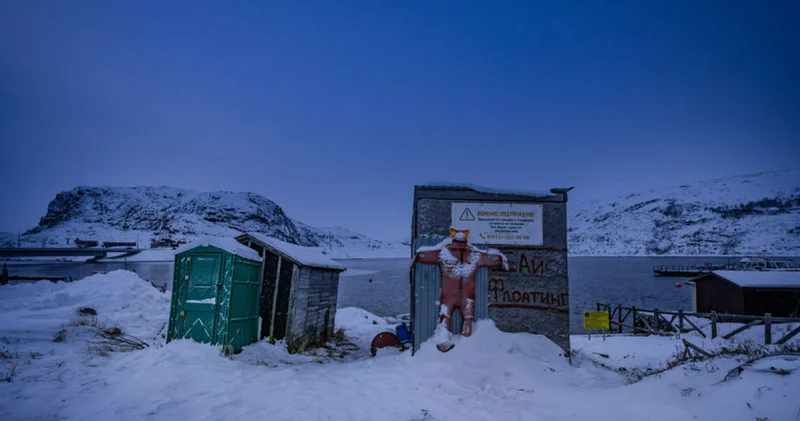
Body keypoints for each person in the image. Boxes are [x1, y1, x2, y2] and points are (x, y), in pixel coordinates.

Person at [410, 227, 508, 351]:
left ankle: (454, 344)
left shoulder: (469, 255)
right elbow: (425, 255)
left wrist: (501, 259)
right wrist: (501, 259)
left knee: (452, 317)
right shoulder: (447, 254)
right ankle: (457, 343)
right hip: (459, 295)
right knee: (456, 317)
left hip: (459, 295)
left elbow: (424, 255)